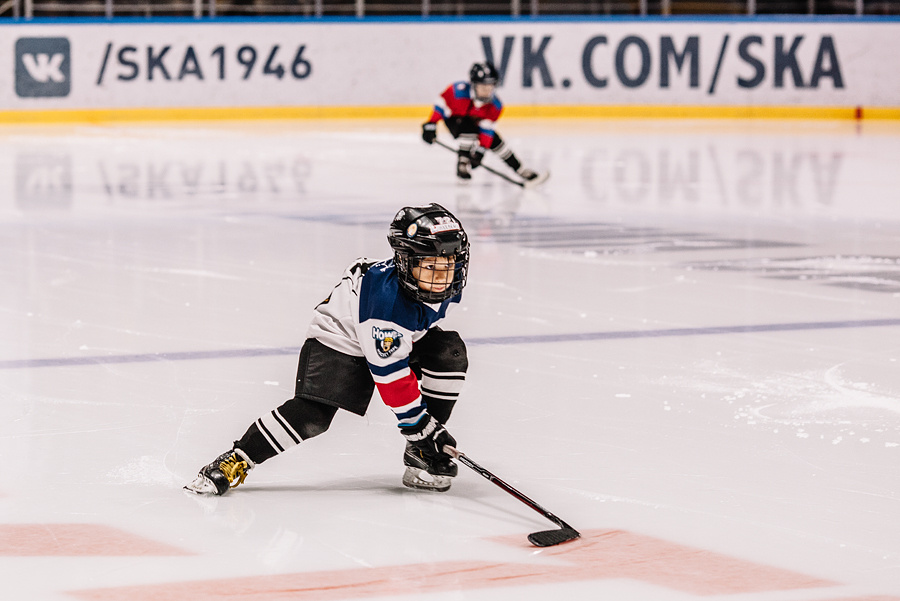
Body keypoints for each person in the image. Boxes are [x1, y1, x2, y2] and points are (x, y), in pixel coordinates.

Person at [184, 204, 469, 496]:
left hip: (391, 337)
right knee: (312, 416)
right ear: (406, 262)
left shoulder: (440, 283)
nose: (441, 276)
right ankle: (238, 458)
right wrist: (420, 427)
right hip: (340, 340)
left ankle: (420, 453)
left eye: (448, 265)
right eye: (431, 266)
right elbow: (392, 378)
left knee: (449, 352)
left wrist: (424, 431)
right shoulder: (384, 304)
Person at [421, 61, 546, 184]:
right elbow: (441, 104)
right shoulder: (458, 91)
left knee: (495, 141)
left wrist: (480, 152)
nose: (487, 90)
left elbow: (487, 131)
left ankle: (520, 169)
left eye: (490, 86)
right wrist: (431, 124)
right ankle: (463, 162)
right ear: (473, 85)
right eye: (483, 86)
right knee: (467, 127)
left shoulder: (495, 105)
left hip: (473, 124)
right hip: (454, 121)